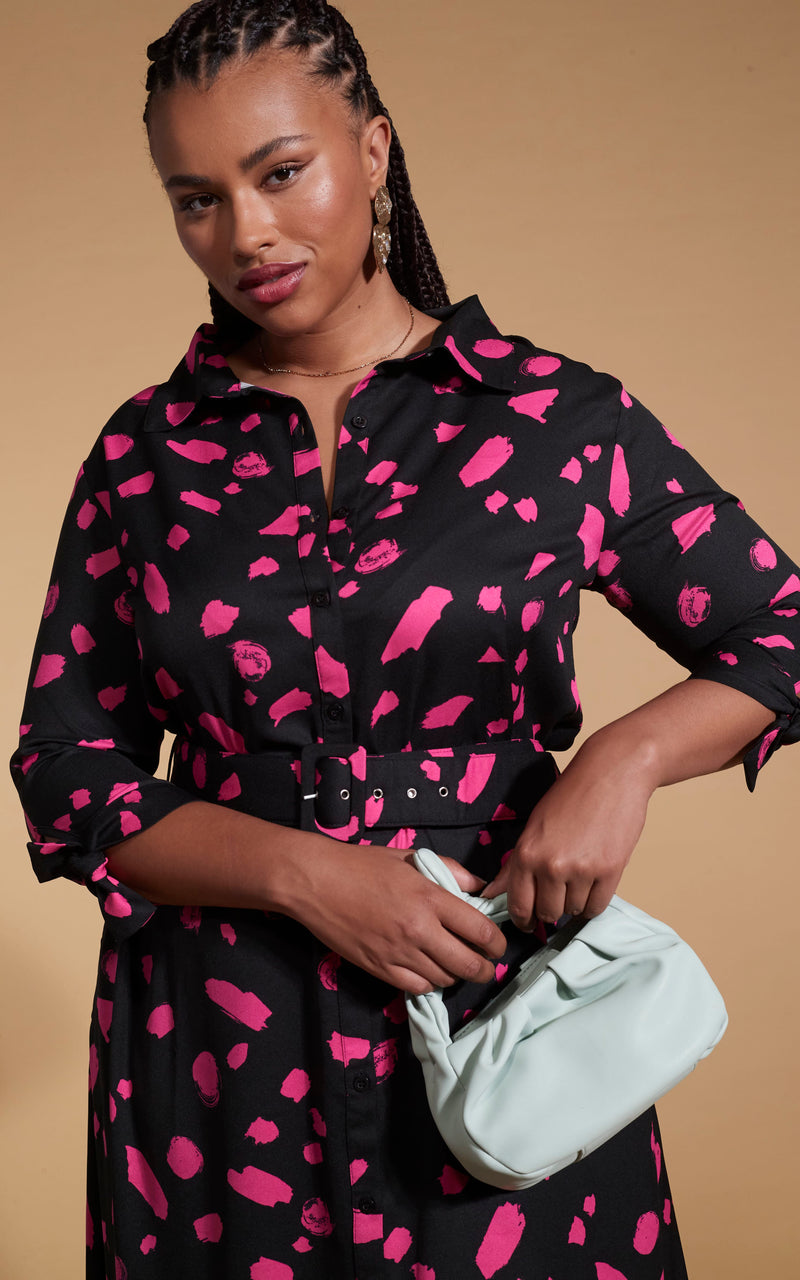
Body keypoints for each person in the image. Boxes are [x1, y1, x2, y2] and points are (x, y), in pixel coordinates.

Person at [11, 1, 800, 1277]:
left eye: (281, 172)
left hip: (503, 1036)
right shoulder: (141, 454)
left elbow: (783, 626)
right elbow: (65, 768)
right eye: (195, 197)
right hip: (215, 1051)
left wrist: (626, 757)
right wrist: (303, 872)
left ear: (372, 148)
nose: (246, 232)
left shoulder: (554, 419)